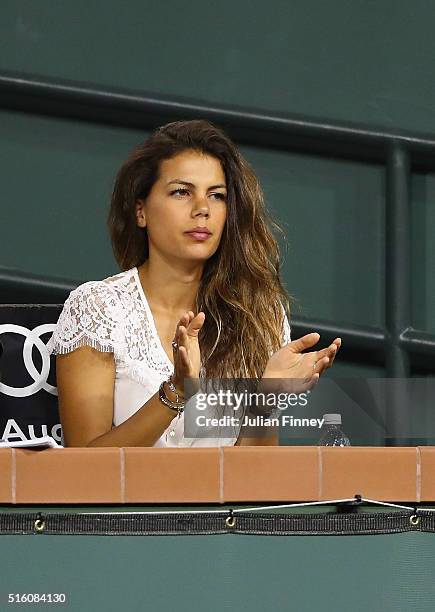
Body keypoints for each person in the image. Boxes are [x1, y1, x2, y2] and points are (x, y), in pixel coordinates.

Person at [47, 119, 341, 448]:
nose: (202, 209)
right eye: (181, 192)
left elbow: (253, 481)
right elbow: (84, 469)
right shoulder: (97, 308)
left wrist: (264, 402)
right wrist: (176, 391)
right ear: (140, 211)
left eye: (216, 196)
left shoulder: (260, 314)